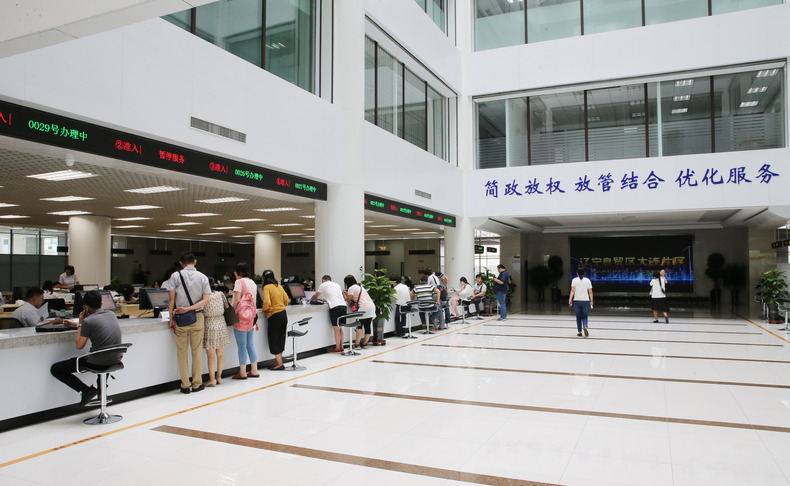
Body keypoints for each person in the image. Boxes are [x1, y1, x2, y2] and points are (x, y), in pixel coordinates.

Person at [49, 290, 123, 405]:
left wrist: (80, 323)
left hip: (98, 362)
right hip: (115, 359)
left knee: (56, 369)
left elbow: (79, 345)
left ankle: (86, 390)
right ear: (101, 303)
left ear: (86, 307)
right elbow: (96, 324)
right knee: (103, 354)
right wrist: (78, 324)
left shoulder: (88, 321)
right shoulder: (111, 315)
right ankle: (101, 392)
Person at [166, 251, 211, 394]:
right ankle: (197, 383)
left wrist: (171, 318)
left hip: (180, 318)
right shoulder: (203, 277)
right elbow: (206, 299)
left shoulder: (175, 276)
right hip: (197, 317)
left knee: (182, 353)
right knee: (197, 352)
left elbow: (171, 299)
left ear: (181, 263)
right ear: (195, 262)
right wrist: (190, 309)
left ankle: (185, 385)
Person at [231, 262, 260, 379]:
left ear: (238, 272)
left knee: (242, 346)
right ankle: (254, 370)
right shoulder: (252, 282)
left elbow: (236, 300)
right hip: (251, 317)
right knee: (250, 344)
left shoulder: (239, 282)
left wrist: (231, 313)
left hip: (241, 318)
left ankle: (242, 373)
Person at [261, 270, 290, 369]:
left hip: (274, 316)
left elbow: (267, 303)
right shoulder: (279, 287)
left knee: (274, 339)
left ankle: (280, 364)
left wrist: (265, 309)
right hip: (283, 314)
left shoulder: (266, 287)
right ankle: (278, 362)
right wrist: (281, 306)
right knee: (281, 338)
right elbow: (287, 300)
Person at [203, 283, 231, 386]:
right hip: (221, 324)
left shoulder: (204, 296)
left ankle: (212, 379)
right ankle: (219, 377)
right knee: (220, 354)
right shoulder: (221, 294)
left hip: (209, 324)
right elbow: (227, 306)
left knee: (211, 355)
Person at [313, 275, 346, 352]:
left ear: (323, 280)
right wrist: (327, 299)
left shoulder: (323, 284)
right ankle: (342, 346)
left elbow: (316, 295)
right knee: (340, 328)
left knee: (336, 329)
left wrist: (311, 299)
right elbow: (335, 296)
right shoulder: (336, 284)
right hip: (343, 306)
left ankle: (337, 348)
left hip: (335, 307)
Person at [344, 275, 376, 348]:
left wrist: (344, 294)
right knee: (367, 326)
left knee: (359, 325)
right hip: (371, 306)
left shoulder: (351, 288)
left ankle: (357, 344)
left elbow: (348, 299)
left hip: (363, 308)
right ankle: (364, 344)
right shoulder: (360, 286)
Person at [569, 268, 594, 337]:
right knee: (585, 315)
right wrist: (591, 300)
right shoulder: (587, 280)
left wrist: (570, 299)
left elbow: (572, 291)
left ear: (577, 273)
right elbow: (590, 291)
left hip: (577, 300)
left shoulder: (574, 280)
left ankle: (579, 331)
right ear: (584, 273)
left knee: (578, 316)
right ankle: (585, 325)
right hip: (585, 300)